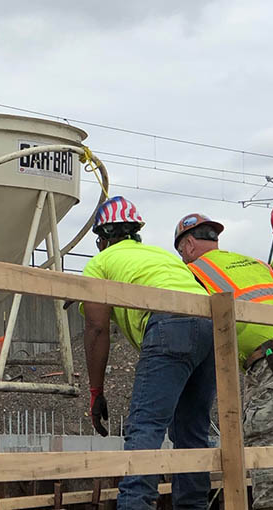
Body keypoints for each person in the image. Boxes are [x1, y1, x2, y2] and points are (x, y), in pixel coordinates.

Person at [175, 212, 273, 510]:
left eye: (181, 251)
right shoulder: (256, 265)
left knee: (266, 445)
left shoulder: (193, 272)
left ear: (189, 245)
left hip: (272, 358)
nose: (182, 257)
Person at [81, 196, 216, 510]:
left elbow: (97, 329)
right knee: (192, 430)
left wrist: (96, 391)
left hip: (169, 323)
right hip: (209, 324)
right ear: (135, 233)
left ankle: (135, 504)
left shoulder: (99, 264)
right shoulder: (159, 256)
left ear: (103, 239)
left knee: (145, 426)